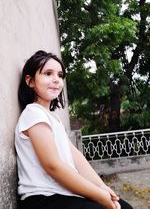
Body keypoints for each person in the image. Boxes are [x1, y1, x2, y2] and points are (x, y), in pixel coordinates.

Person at [15, 50, 133, 209]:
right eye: (48, 73)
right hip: (43, 198)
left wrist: (102, 187)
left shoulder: (53, 118)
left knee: (123, 206)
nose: (56, 79)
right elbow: (53, 165)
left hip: (64, 194)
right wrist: (98, 196)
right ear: (30, 81)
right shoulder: (33, 113)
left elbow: (76, 157)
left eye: (60, 75)